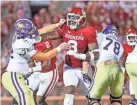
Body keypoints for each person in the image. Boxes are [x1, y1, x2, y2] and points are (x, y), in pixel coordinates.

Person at [1, 19, 70, 105]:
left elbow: (43, 31)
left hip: (25, 74)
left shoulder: (20, 35)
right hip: (14, 75)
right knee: (24, 98)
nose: (32, 32)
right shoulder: (22, 46)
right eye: (30, 31)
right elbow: (46, 56)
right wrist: (59, 48)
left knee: (30, 100)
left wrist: (57, 24)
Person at [39, 7, 98, 105]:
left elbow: (95, 54)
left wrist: (79, 56)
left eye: (75, 18)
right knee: (69, 93)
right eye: (70, 18)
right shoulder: (66, 28)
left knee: (93, 97)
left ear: (82, 20)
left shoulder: (89, 31)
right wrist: (36, 38)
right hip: (69, 67)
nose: (71, 21)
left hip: (85, 69)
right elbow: (50, 35)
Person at [88, 25, 124, 105]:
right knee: (116, 100)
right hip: (118, 70)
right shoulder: (120, 45)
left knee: (93, 99)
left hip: (103, 67)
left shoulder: (101, 36)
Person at [26, 39, 63, 105]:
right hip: (38, 72)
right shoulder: (28, 45)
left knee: (39, 100)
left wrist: (31, 69)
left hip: (49, 73)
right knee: (22, 92)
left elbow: (46, 64)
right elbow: (32, 61)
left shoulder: (44, 43)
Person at [121, 28, 137, 105]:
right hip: (130, 67)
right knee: (132, 80)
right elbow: (123, 60)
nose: (131, 39)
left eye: (133, 37)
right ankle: (133, 99)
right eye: (130, 37)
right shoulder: (125, 47)